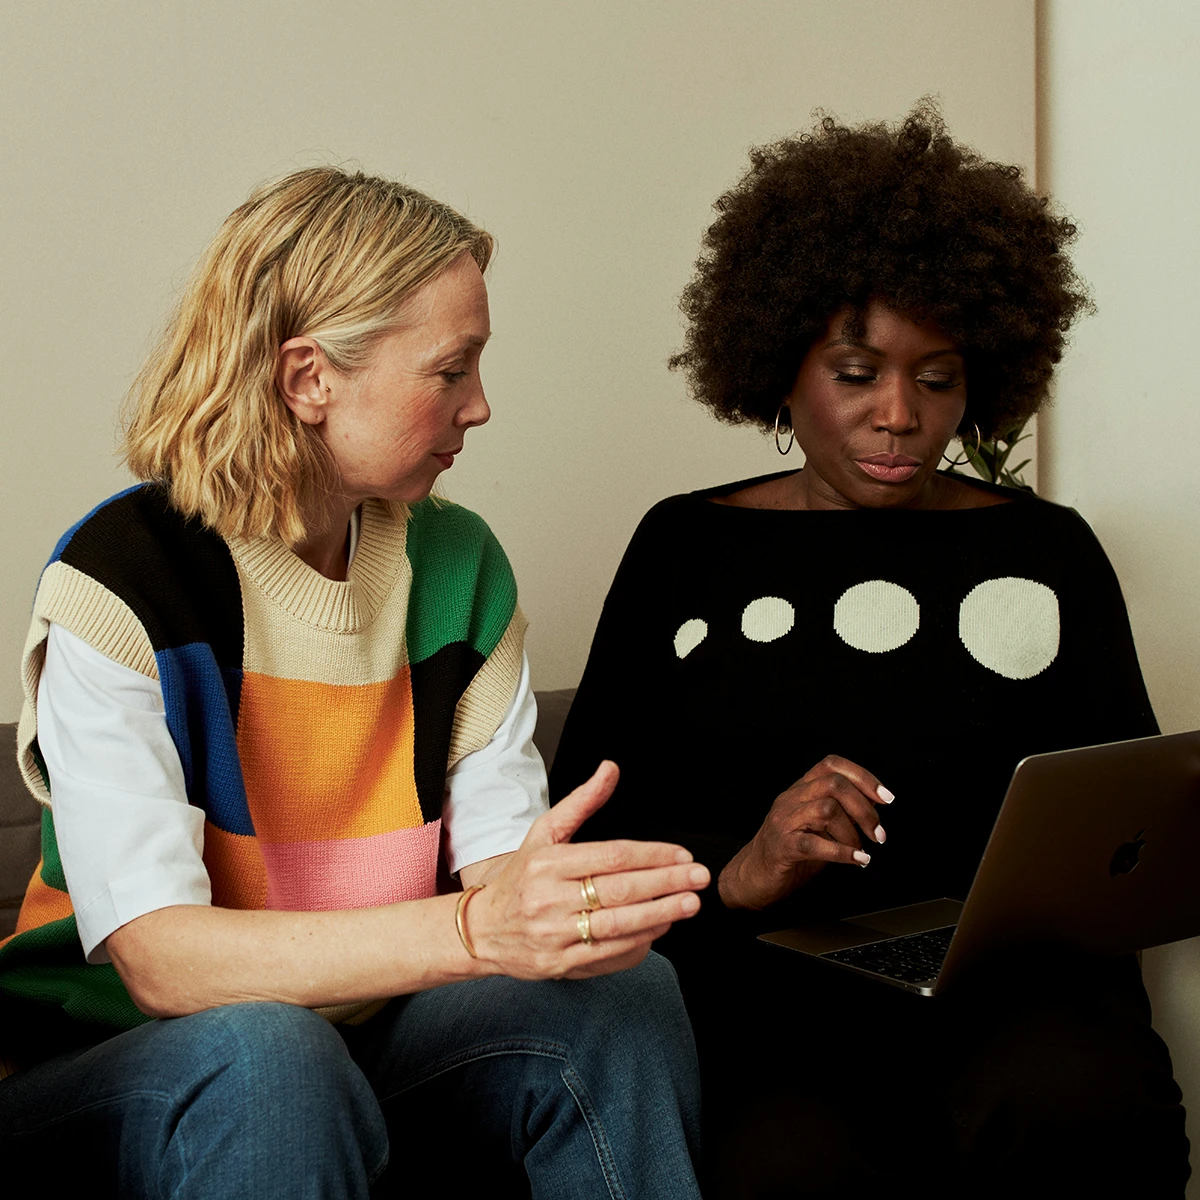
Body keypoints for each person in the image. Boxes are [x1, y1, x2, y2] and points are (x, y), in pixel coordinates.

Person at [0, 167, 710, 1199]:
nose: (480, 405)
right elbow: (161, 965)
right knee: (269, 1057)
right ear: (308, 380)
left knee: (624, 994)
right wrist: (473, 932)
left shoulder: (460, 567)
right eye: (450, 370)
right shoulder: (122, 580)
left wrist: (562, 902)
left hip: (370, 1039)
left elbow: (501, 876)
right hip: (118, 1072)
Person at [549, 106, 1190, 1197]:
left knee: (1080, 1105)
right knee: (789, 1163)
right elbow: (584, 825)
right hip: (776, 1001)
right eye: (856, 373)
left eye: (937, 380)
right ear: (779, 365)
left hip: (1017, 992)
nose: (899, 414)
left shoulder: (1046, 548)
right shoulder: (685, 547)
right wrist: (742, 871)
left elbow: (1127, 823)